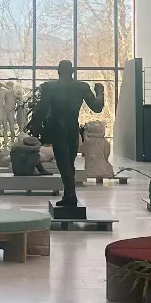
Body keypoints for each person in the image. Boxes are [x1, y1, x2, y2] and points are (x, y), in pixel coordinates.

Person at [34, 61, 104, 209]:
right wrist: (100, 91)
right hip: (73, 129)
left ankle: (70, 195)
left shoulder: (50, 87)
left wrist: (35, 128)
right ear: (72, 71)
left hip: (58, 129)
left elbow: (40, 111)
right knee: (68, 164)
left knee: (64, 164)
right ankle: (69, 195)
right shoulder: (81, 87)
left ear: (58, 71)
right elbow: (97, 107)